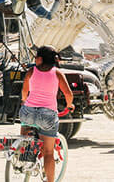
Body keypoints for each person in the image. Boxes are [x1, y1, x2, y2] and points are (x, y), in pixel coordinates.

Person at [19, 46, 74, 182]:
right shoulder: (57, 73)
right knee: (49, 152)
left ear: (40, 59)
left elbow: (24, 92)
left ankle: (24, 152)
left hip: (28, 111)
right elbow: (68, 94)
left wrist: (25, 101)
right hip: (47, 115)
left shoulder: (31, 71)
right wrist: (69, 105)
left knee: (26, 125)